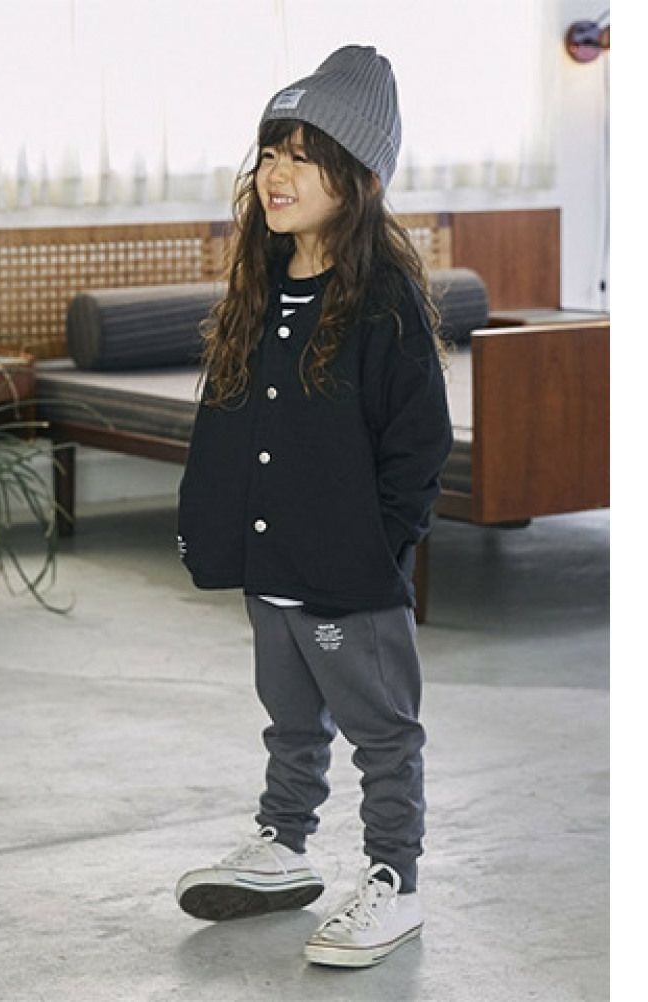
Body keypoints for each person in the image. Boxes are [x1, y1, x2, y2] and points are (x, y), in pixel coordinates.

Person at [173, 44, 453, 969]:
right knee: (290, 720)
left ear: (360, 177)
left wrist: (377, 549)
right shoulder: (261, 284)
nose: (275, 173)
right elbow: (229, 419)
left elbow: (418, 444)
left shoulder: (384, 302)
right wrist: (216, 529)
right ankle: (284, 845)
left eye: (302, 155)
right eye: (269, 152)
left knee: (381, 734)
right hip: (274, 565)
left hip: (347, 575)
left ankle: (394, 879)